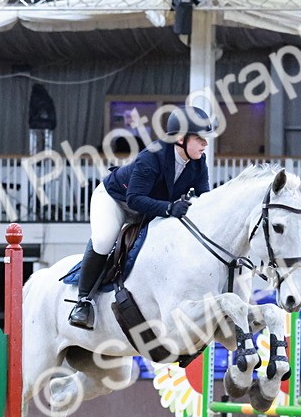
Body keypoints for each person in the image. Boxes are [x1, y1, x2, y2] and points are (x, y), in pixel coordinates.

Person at [67, 105, 214, 330]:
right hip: (116, 199)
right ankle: (83, 301)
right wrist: (169, 208)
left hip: (149, 208)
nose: (206, 144)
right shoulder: (152, 157)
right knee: (105, 239)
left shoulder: (198, 163)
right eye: (200, 138)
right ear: (181, 139)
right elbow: (134, 198)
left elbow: (205, 199)